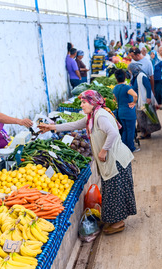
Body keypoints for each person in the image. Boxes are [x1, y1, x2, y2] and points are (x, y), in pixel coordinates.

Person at [39, 90, 135, 235]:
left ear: (92, 102)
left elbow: (113, 133)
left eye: (84, 102)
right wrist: (52, 127)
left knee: (116, 191)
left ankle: (118, 223)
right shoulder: (93, 115)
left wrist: (103, 150)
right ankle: (114, 219)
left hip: (116, 160)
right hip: (112, 160)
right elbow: (75, 124)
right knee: (111, 190)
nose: (82, 105)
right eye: (82, 102)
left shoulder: (100, 116)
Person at [128, 63, 156, 139]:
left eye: (130, 70)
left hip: (143, 99)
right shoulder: (134, 76)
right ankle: (145, 132)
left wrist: (149, 98)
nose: (129, 71)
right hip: (137, 99)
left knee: (143, 117)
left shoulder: (142, 76)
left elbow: (148, 87)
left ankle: (145, 133)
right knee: (141, 117)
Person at [113, 69, 139, 153]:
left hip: (120, 111)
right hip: (129, 112)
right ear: (125, 77)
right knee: (130, 130)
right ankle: (131, 148)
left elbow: (115, 99)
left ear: (116, 79)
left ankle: (123, 149)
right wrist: (133, 102)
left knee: (124, 130)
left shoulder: (115, 88)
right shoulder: (127, 87)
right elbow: (135, 95)